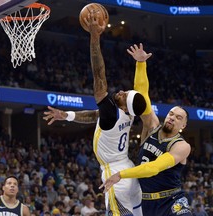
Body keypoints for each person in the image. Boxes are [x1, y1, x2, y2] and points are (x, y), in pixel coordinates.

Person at [44, 11, 152, 216]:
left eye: (123, 94)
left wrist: (95, 36)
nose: (120, 91)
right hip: (128, 169)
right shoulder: (125, 115)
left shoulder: (112, 112)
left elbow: (98, 73)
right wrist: (66, 115)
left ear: (122, 105)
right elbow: (95, 116)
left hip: (115, 174)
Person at [99, 48, 192, 215]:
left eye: (178, 118)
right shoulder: (151, 127)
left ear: (183, 126)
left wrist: (121, 174)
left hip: (172, 201)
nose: (172, 118)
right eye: (171, 113)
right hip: (147, 202)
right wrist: (141, 64)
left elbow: (154, 168)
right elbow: (142, 97)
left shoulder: (182, 146)